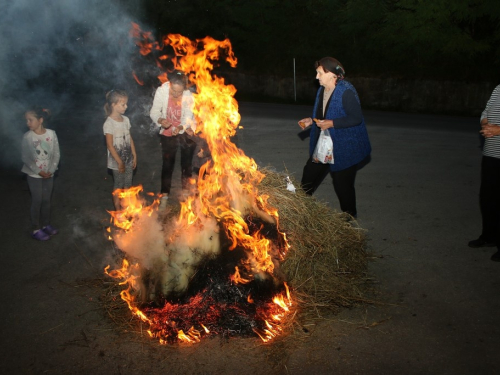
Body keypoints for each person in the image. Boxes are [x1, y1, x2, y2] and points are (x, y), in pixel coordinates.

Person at [297, 57, 371, 218]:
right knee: (309, 174)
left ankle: (349, 221)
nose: (316, 77)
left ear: (332, 74)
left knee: (343, 185)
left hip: (345, 146)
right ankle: (299, 209)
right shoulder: (323, 89)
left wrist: (332, 123)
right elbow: (322, 114)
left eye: (319, 73)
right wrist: (311, 120)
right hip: (325, 144)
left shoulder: (346, 92)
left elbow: (356, 118)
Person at [150, 70, 196, 208]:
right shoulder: (161, 91)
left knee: (186, 165)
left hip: (186, 130)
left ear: (184, 89)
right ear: (169, 84)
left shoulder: (189, 96)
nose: (176, 94)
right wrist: (161, 120)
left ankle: (186, 196)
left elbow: (188, 116)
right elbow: (154, 111)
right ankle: (164, 196)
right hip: (167, 130)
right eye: (173, 91)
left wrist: (180, 128)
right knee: (167, 164)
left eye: (179, 92)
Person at [469, 84, 500, 261]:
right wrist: (485, 122)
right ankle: (489, 236)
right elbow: (486, 110)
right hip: (491, 153)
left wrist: (498, 130)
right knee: (488, 197)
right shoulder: (498, 88)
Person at [21, 106, 60, 241]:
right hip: (34, 176)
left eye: (30, 120)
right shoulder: (27, 137)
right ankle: (35, 228)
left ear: (40, 120)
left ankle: (46, 224)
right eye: (26, 121)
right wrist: (39, 171)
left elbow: (56, 154)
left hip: (49, 174)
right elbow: (25, 157)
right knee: (37, 200)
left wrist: (51, 170)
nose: (28, 123)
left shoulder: (51, 134)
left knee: (46, 200)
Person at [103, 89, 137, 211]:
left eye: (126, 103)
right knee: (118, 185)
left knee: (128, 184)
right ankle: (118, 210)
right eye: (123, 104)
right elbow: (110, 145)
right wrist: (119, 162)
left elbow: (129, 138)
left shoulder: (126, 120)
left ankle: (127, 207)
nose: (126, 106)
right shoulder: (109, 123)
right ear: (113, 105)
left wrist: (134, 154)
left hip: (128, 158)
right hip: (117, 161)